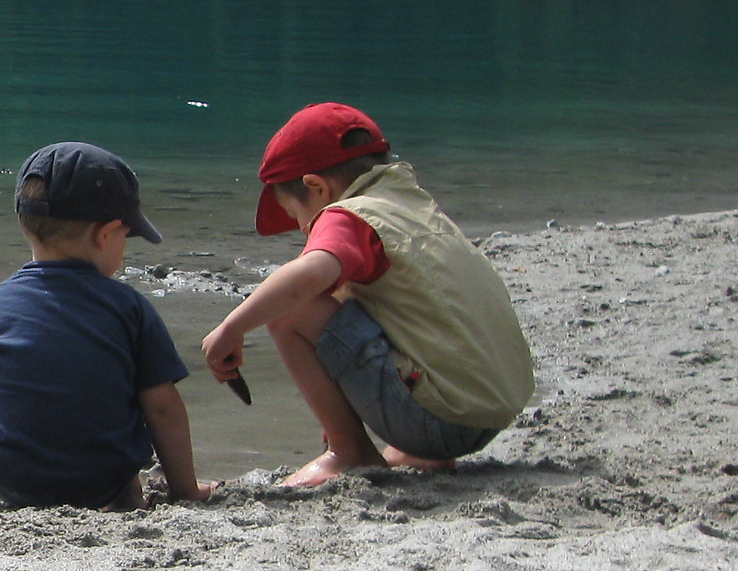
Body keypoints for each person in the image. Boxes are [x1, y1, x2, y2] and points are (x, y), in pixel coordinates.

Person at [200, 103, 534, 488]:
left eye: (294, 215)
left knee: (292, 309)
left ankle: (350, 452)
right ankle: (425, 453)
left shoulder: (348, 215)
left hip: (441, 420)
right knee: (351, 300)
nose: (301, 229)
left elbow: (306, 278)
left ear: (316, 187)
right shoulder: (411, 204)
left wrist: (233, 326)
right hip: (492, 411)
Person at [0, 142, 211, 511]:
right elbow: (163, 407)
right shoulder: (130, 308)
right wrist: (185, 489)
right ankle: (128, 494)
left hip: (12, 479)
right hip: (103, 480)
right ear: (106, 234)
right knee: (120, 384)